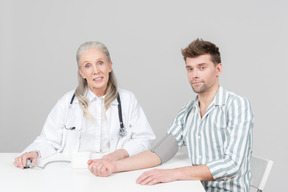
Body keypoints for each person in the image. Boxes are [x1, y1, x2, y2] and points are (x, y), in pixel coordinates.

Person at [87, 39, 254, 192]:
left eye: (202, 67)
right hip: (195, 188)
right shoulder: (188, 111)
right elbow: (158, 153)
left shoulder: (237, 105)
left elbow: (232, 164)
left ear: (218, 69)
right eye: (190, 69)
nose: (194, 74)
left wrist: (174, 173)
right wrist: (114, 165)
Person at [14, 41, 156, 169]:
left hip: (114, 171)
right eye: (88, 66)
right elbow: (48, 140)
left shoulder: (127, 100)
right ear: (82, 73)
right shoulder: (67, 102)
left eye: (100, 63)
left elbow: (145, 139)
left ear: (110, 66)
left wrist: (120, 153)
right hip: (73, 174)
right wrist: (35, 152)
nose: (96, 70)